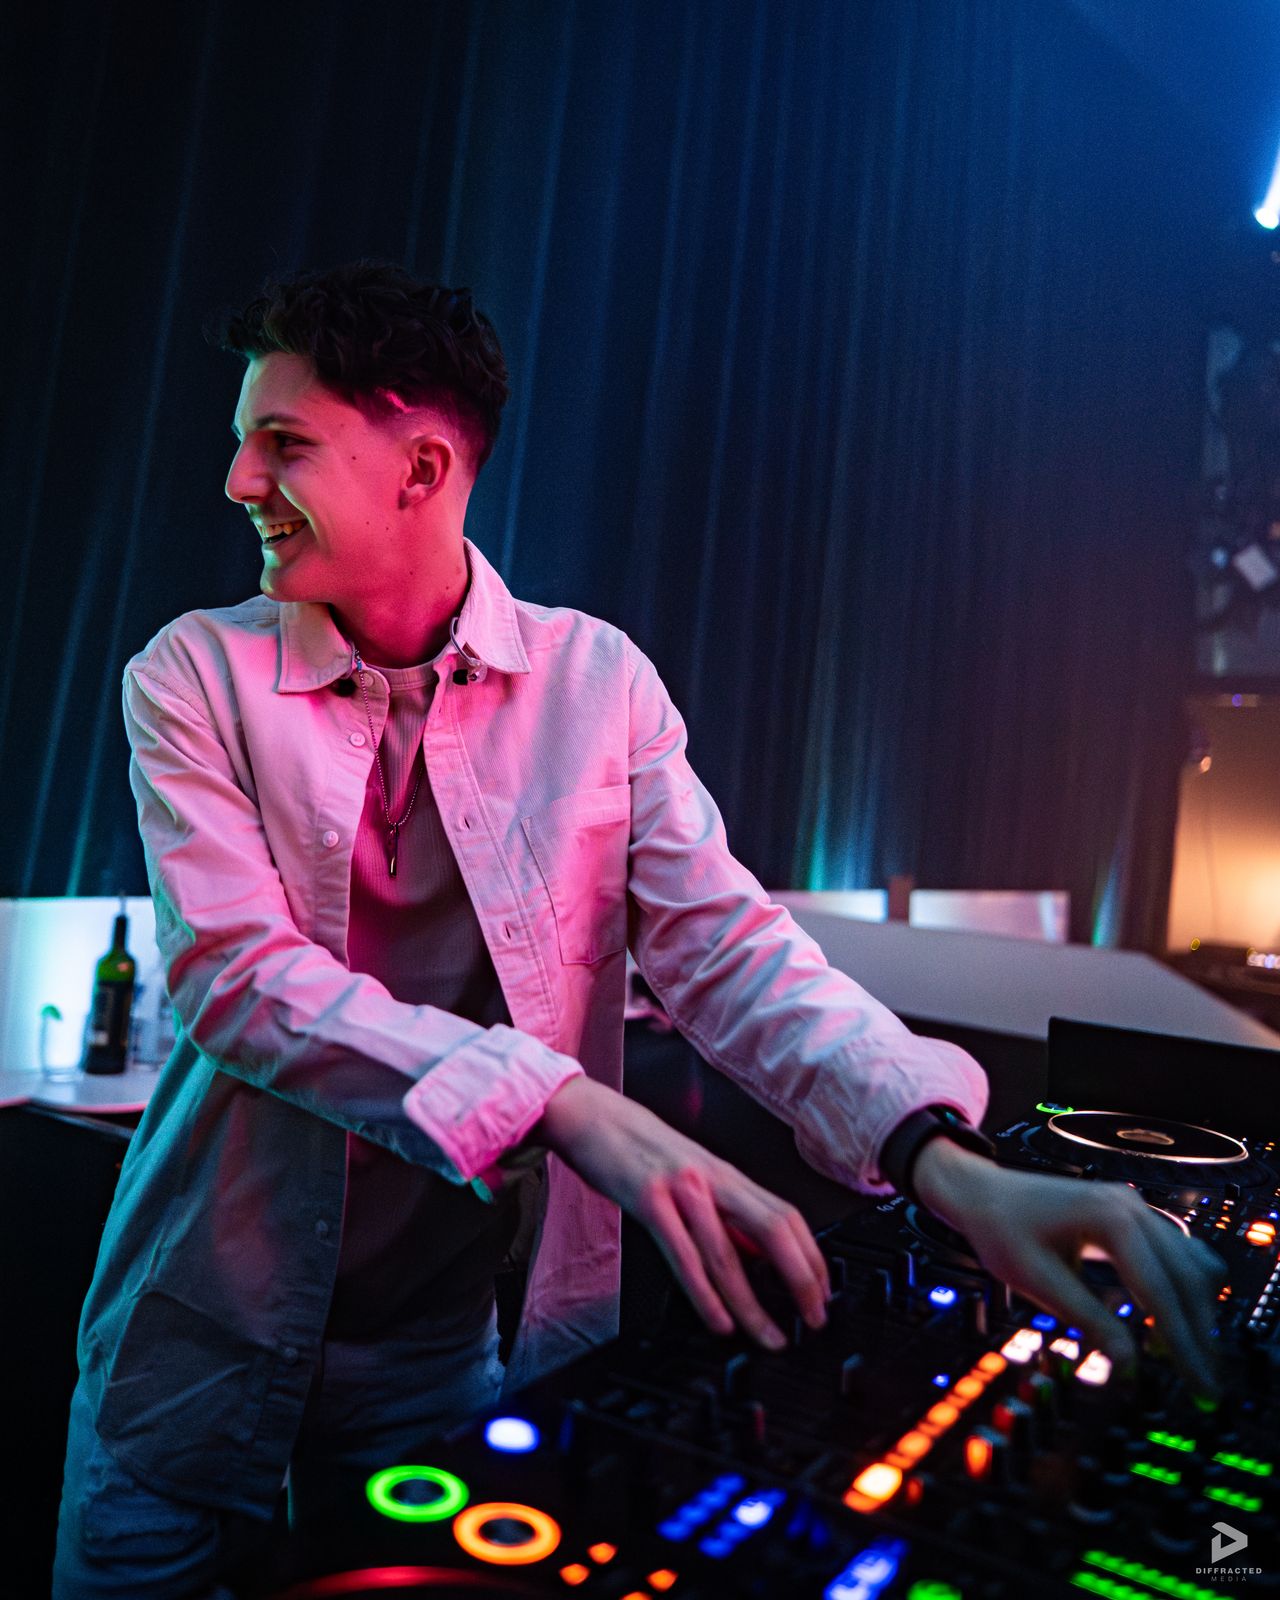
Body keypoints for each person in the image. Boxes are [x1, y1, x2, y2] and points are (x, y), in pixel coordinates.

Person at [53, 261, 1223, 1598]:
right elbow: (238, 979)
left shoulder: (598, 681)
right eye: (243, 442)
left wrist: (946, 1161)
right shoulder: (190, 673)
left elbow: (728, 951)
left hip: (435, 1366)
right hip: (193, 1351)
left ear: (423, 468)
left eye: (283, 443)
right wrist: (560, 1102)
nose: (237, 482)